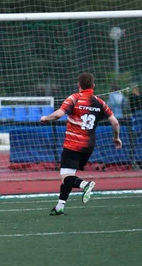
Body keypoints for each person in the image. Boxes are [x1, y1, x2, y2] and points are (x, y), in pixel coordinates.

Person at [40, 72, 122, 216]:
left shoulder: (74, 98)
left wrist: (46, 118)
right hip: (89, 146)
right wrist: (116, 138)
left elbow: (58, 114)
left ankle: (85, 185)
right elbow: (115, 122)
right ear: (93, 86)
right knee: (69, 176)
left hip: (73, 144)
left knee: (66, 176)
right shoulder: (100, 102)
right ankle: (60, 206)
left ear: (79, 85)